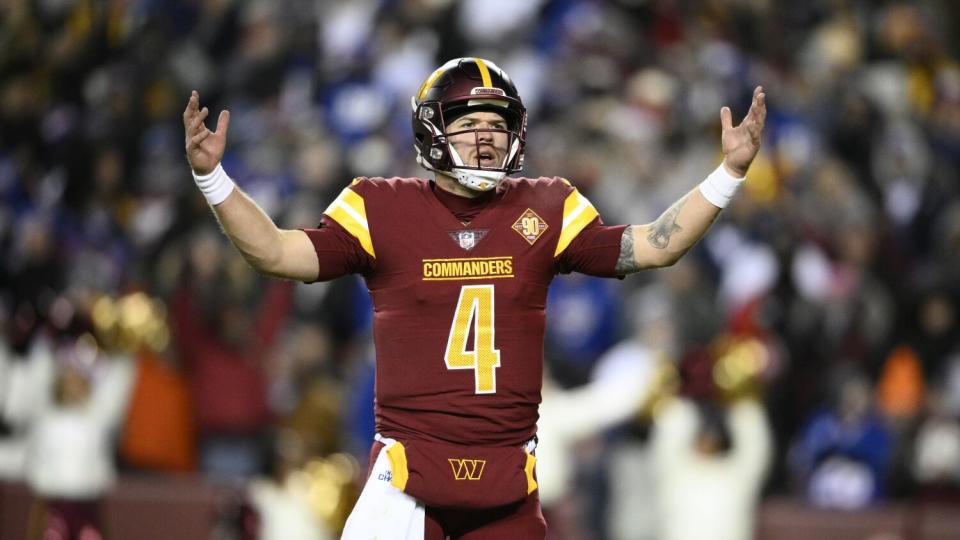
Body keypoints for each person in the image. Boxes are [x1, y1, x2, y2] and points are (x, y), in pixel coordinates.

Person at [182, 57, 766, 539]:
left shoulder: (544, 205)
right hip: (410, 483)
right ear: (433, 130)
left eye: (497, 123)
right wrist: (213, 178)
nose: (486, 138)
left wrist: (728, 173)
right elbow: (277, 254)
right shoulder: (381, 207)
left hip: (508, 485)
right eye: (468, 122)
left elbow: (654, 247)